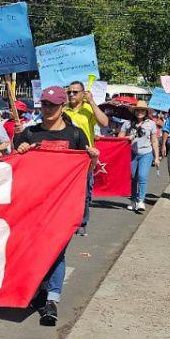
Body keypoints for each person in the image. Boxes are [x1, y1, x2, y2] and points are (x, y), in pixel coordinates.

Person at [14, 85, 98, 325]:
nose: (47, 109)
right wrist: (20, 149)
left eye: (52, 105)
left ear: (62, 107)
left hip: (64, 205)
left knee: (57, 250)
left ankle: (51, 299)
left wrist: (92, 160)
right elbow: (15, 168)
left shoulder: (75, 135)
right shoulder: (30, 133)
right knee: (36, 249)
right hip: (34, 204)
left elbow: (85, 171)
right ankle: (38, 291)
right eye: (44, 104)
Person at [62, 80, 108, 236]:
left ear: (83, 94)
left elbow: (104, 123)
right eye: (69, 92)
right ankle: (66, 221)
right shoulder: (63, 110)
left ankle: (82, 222)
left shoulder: (88, 108)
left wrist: (92, 102)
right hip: (66, 156)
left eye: (75, 92)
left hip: (85, 157)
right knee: (66, 192)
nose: (72, 95)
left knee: (85, 192)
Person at [124, 101, 159, 213]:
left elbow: (154, 141)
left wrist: (157, 157)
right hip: (132, 153)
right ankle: (133, 200)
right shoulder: (128, 123)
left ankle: (141, 201)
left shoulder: (151, 124)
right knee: (133, 177)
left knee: (142, 176)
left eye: (142, 110)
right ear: (134, 112)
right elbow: (120, 138)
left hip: (146, 153)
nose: (140, 112)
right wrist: (127, 138)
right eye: (138, 110)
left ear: (146, 112)